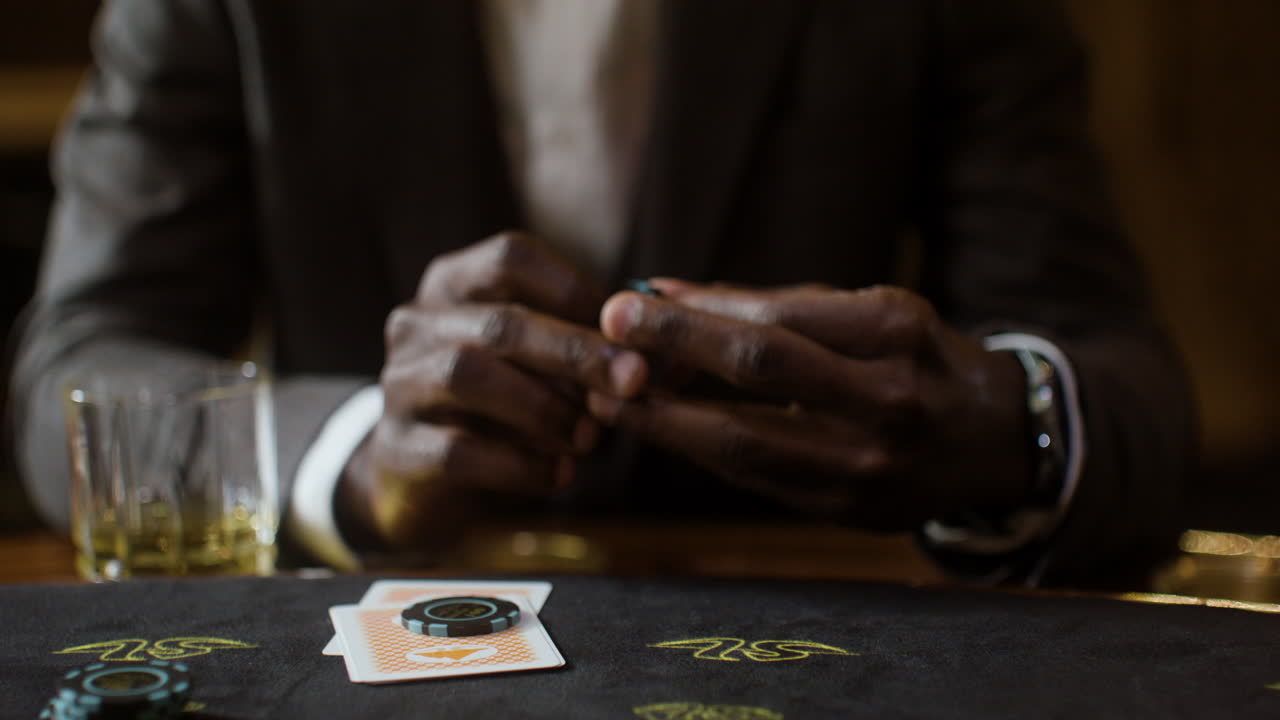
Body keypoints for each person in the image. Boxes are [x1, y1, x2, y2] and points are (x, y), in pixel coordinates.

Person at [8, 0, 1196, 587]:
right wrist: (358, 456)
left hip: (829, 652)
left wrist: (1001, 432)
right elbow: (89, 365)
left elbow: (1125, 389)